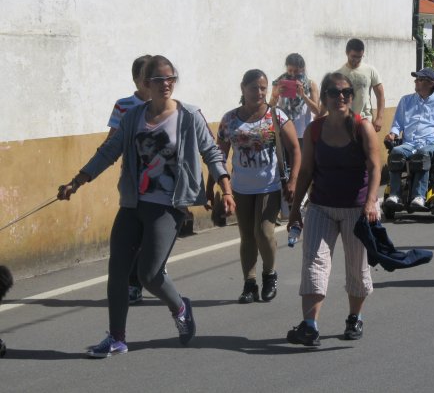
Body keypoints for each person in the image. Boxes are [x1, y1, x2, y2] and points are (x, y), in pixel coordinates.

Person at [57, 55, 235, 357]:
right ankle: (116, 338)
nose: (166, 84)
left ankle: (180, 307)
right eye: (159, 79)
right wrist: (78, 181)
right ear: (145, 83)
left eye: (171, 78)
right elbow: (108, 151)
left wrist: (226, 189)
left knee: (149, 274)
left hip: (168, 205)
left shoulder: (189, 116)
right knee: (117, 270)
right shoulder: (133, 117)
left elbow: (211, 152)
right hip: (132, 202)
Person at [286, 72, 381, 347]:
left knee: (356, 267)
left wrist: (371, 201)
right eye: (334, 92)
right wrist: (295, 211)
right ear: (324, 96)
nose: (341, 97)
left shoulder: (361, 127)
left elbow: (375, 167)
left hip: (357, 208)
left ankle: (354, 318)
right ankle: (310, 325)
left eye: (346, 93)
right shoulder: (314, 130)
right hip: (321, 206)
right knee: (314, 262)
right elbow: (305, 173)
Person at [213, 69, 301, 304]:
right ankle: (249, 284)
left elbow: (295, 149)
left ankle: (269, 275)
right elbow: (218, 154)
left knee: (263, 232)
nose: (259, 92)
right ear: (243, 88)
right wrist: (219, 186)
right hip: (241, 187)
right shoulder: (230, 119)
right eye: (254, 88)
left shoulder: (276, 116)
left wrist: (292, 180)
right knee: (247, 236)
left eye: (263, 88)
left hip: (269, 185)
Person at [106, 54, 151, 305]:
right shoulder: (124, 106)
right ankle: (135, 282)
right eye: (147, 75)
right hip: (133, 182)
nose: (152, 80)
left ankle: (150, 269)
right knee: (134, 235)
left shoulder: (169, 107)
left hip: (161, 183)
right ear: (136, 79)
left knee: (152, 235)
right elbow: (112, 142)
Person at [384, 68, 434, 210]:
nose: (416, 82)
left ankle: (419, 196)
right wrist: (393, 134)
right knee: (395, 152)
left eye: (420, 79)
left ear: (431, 83)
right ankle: (394, 195)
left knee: (422, 155)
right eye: (416, 79)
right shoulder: (406, 100)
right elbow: (397, 124)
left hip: (431, 144)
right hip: (409, 144)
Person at [335, 38, 385, 132]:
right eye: (353, 56)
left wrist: (379, 118)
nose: (356, 60)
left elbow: (380, 95)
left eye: (360, 57)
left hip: (365, 120)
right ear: (347, 52)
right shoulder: (339, 74)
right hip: (345, 121)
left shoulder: (370, 70)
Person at [269, 53, 320, 144]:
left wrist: (304, 96)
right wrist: (276, 94)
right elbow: (270, 108)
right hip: (284, 130)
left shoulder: (310, 84)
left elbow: (317, 111)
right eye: (290, 70)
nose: (292, 74)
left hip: (304, 132)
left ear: (303, 69)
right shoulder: (278, 83)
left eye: (296, 71)